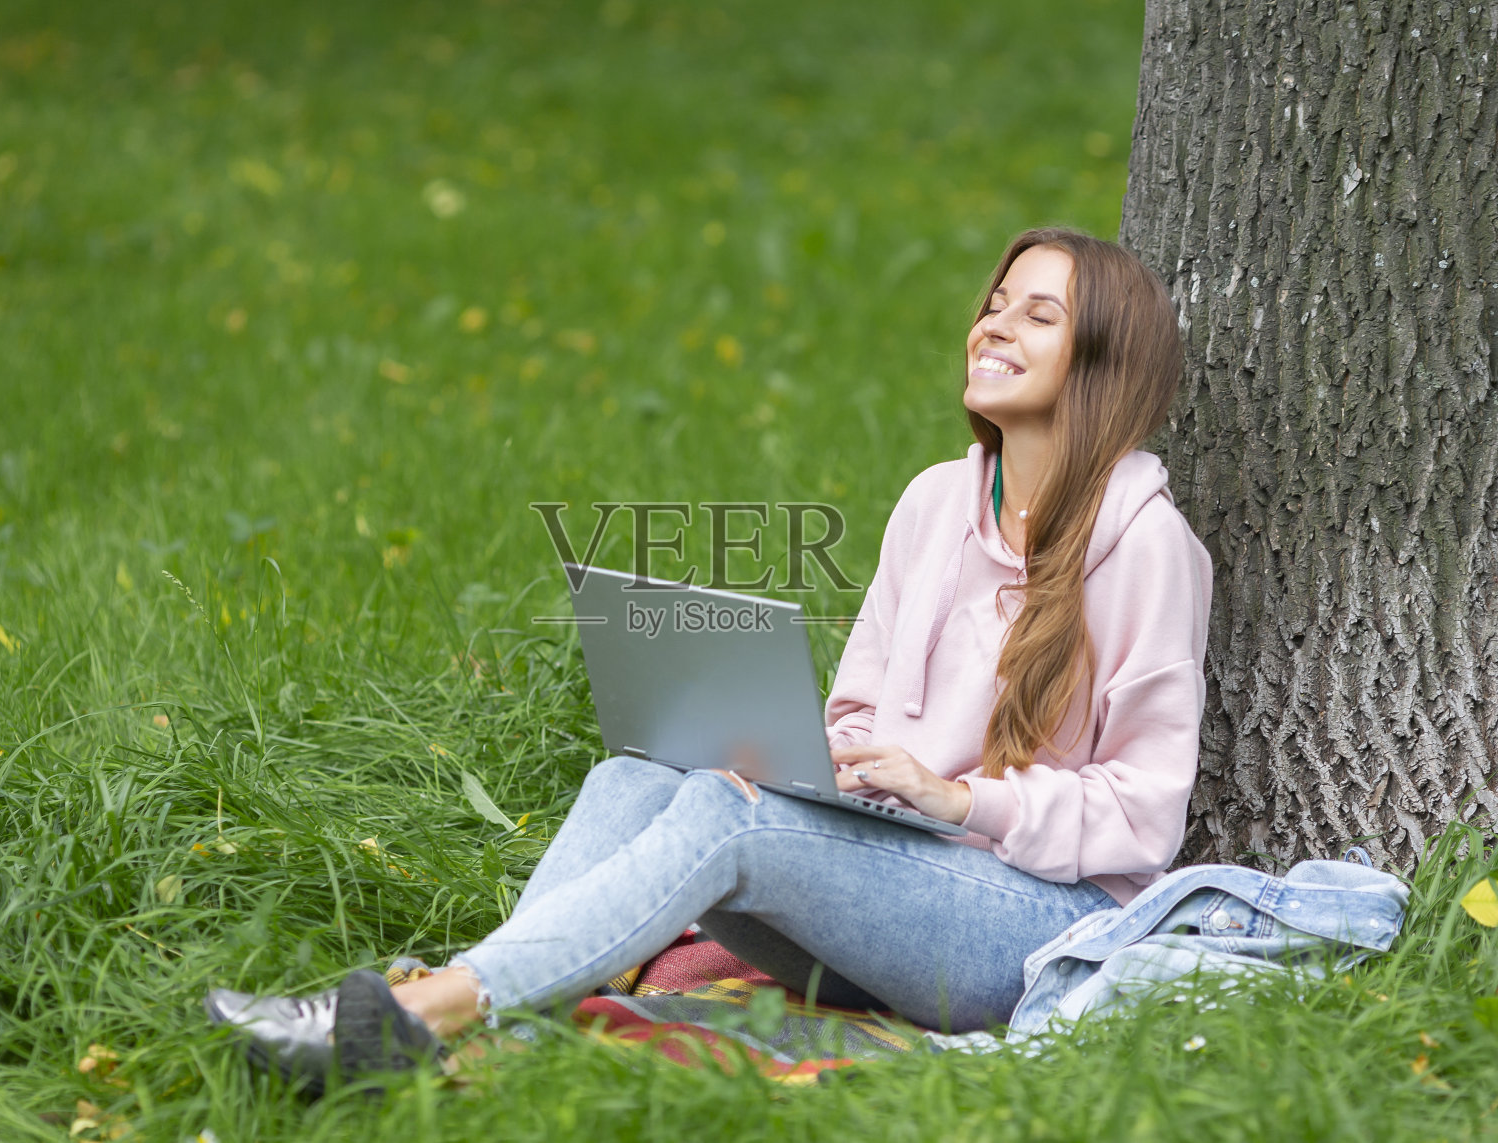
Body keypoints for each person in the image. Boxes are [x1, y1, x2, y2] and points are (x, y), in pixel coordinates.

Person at [206, 227, 1214, 1086]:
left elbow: (1142, 815)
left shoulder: (1145, 546)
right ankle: (465, 1021)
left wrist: (960, 803)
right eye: (994, 304)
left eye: (1036, 315)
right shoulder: (934, 504)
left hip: (1027, 929)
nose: (994, 325)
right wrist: (820, 775)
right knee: (644, 773)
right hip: (891, 893)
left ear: (1102, 359)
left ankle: (419, 1016)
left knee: (725, 820)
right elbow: (860, 712)